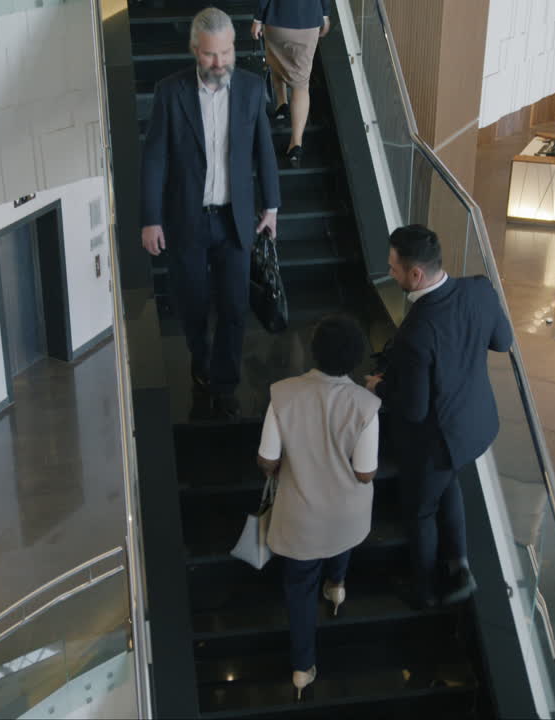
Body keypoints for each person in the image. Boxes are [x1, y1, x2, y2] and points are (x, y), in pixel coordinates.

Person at [141, 7, 282, 419]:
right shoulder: (171, 92)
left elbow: (264, 150)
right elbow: (154, 160)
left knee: (235, 307)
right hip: (187, 218)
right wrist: (150, 218)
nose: (218, 63)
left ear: (234, 48)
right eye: (209, 55)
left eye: (224, 53)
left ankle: (225, 381)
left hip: (235, 219)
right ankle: (200, 361)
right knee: (192, 304)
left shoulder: (253, 89)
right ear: (194, 51)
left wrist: (271, 205)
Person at [365, 225, 513, 609]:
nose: (391, 274)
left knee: (421, 511)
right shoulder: (480, 289)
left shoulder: (416, 330)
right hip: (477, 425)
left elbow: (413, 409)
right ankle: (459, 565)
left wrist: (378, 387)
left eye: (394, 268)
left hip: (437, 440)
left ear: (416, 274)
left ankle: (426, 592)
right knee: (449, 483)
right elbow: (503, 341)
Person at [257, 315, 380, 699]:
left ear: (313, 352)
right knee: (340, 536)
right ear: (356, 358)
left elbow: (267, 459)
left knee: (297, 587)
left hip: (300, 515)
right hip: (345, 513)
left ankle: (301, 667)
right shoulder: (367, 404)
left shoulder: (283, 394)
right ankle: (337, 587)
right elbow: (365, 474)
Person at [251, 0, 332, 167]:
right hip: (309, 22)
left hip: (277, 20)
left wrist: (257, 19)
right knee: (301, 86)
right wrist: (324, 14)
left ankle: (281, 103)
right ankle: (296, 143)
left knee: (276, 61)